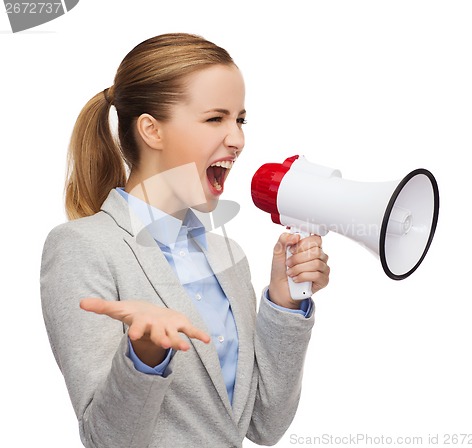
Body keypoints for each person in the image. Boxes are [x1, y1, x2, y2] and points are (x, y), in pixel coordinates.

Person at [40, 33, 330, 448]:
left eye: (240, 120)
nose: (238, 139)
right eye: (216, 118)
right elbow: (106, 440)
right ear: (151, 130)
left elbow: (265, 425)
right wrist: (144, 356)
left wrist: (284, 306)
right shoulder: (82, 247)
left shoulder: (228, 256)